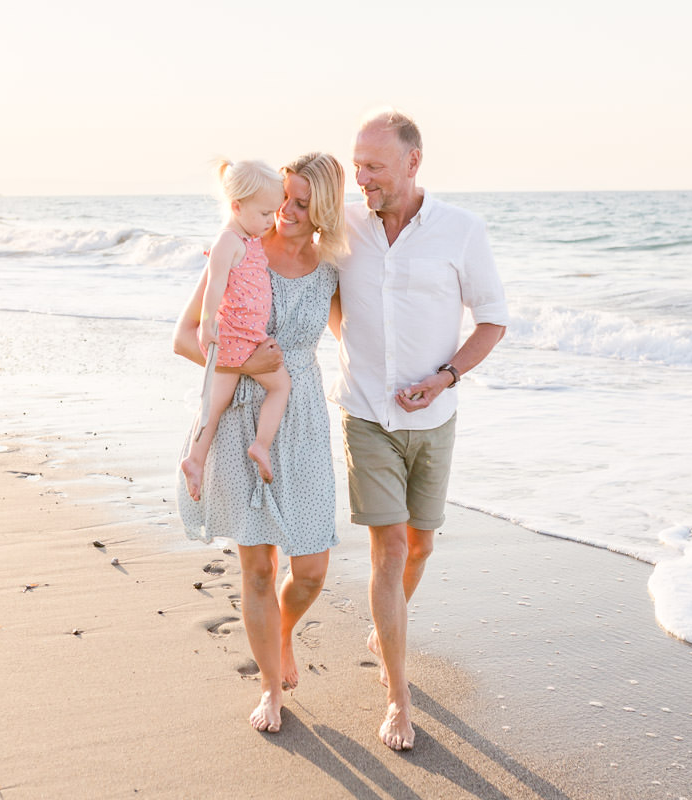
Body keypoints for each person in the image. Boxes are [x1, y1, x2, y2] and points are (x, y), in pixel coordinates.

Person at [331, 109, 509, 751]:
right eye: (357, 164)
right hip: (366, 415)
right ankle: (397, 699)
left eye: (373, 165)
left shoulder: (461, 230)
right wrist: (350, 350)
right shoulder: (345, 224)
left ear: (413, 162)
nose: (362, 177)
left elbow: (491, 321)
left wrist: (444, 378)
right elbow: (323, 289)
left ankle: (389, 625)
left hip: (435, 417)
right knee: (390, 551)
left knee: (423, 545)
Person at [175, 152, 348, 734]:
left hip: (301, 422)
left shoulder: (332, 266)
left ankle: (281, 631)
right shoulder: (243, 247)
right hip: (241, 412)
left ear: (323, 207)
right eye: (285, 198)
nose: (288, 212)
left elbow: (361, 337)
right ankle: (272, 688)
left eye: (303, 203)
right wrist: (246, 365)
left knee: (312, 569)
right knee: (255, 569)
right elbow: (184, 337)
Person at [180, 159, 290, 501]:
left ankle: (196, 460)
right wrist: (208, 323)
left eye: (274, 213)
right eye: (264, 214)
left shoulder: (249, 236)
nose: (270, 221)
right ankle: (261, 444)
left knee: (214, 406)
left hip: (247, 337)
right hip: (236, 338)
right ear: (236, 206)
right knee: (280, 386)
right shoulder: (228, 240)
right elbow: (214, 286)